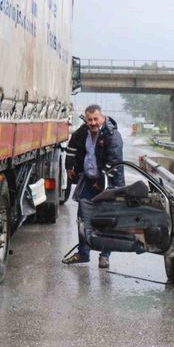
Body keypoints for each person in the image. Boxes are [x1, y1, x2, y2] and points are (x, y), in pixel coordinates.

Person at [62, 104, 124, 268]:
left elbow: (114, 163)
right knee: (83, 218)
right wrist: (69, 166)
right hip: (88, 181)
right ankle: (83, 254)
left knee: (105, 220)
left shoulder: (112, 135)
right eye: (90, 120)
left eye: (96, 119)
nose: (93, 123)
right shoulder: (83, 131)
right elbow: (71, 146)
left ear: (102, 118)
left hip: (108, 184)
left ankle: (105, 255)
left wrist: (102, 182)